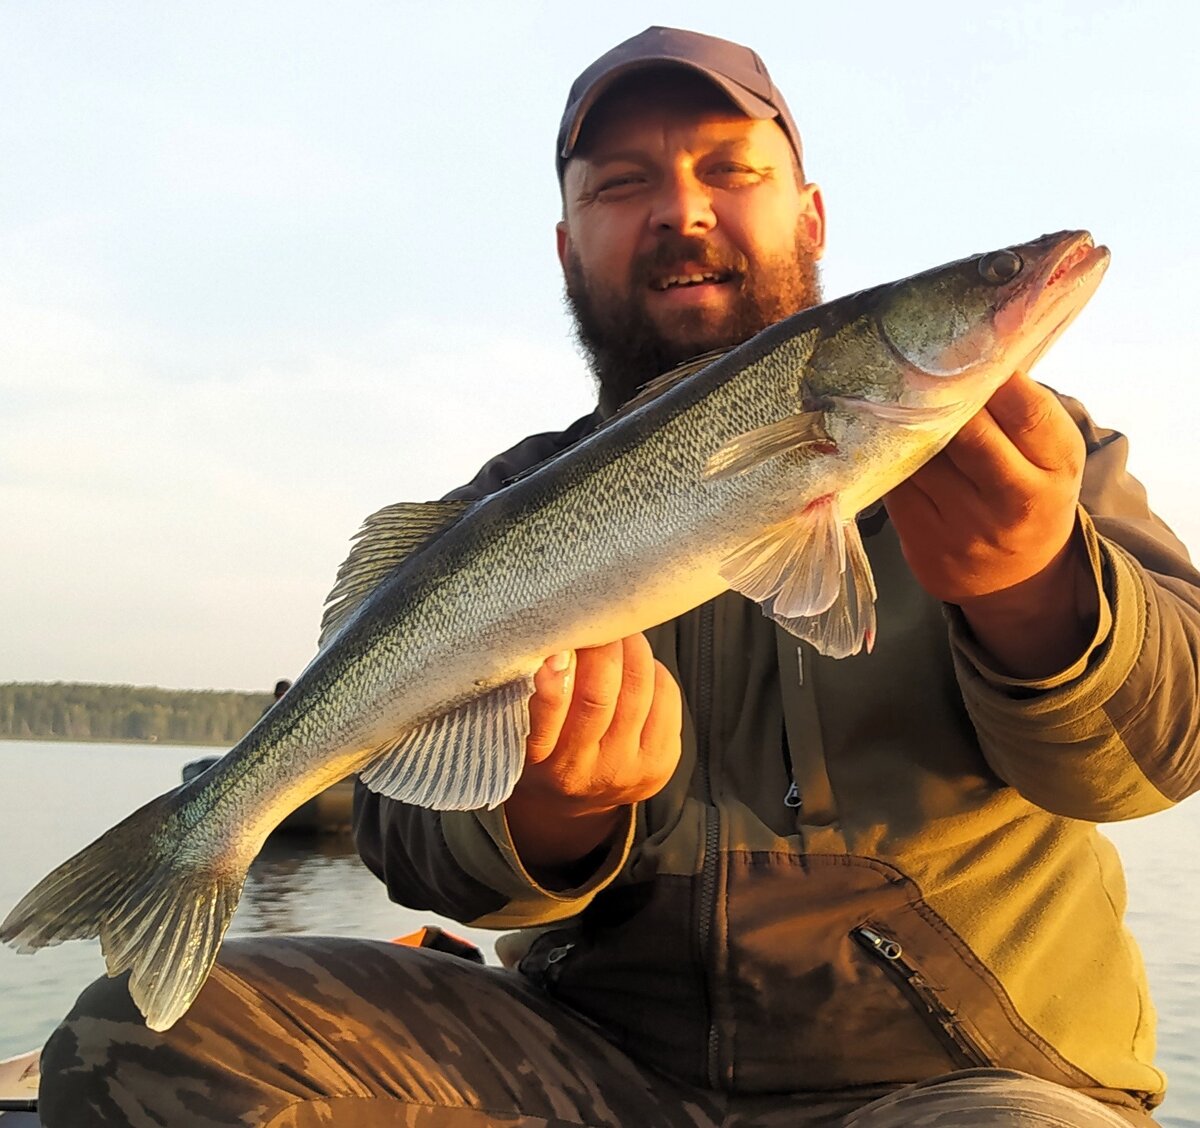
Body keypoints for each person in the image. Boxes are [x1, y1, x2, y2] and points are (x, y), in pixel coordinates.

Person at [38, 26, 1200, 1128]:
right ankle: (196, 841)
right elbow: (401, 832)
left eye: (728, 169)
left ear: (813, 214)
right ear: (566, 244)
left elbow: (1173, 748)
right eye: (619, 184)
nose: (680, 210)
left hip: (966, 1074)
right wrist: (548, 815)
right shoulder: (494, 504)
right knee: (134, 1045)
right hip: (593, 1060)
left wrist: (1040, 590)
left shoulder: (1037, 458)